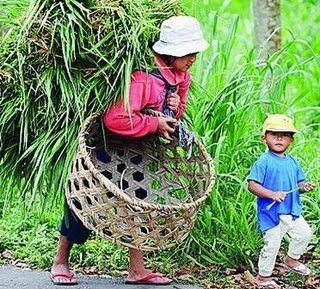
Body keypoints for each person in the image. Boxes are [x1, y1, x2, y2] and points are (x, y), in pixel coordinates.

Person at [50, 15, 209, 285]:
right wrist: (154, 122)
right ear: (169, 53)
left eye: (194, 52)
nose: (192, 58)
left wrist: (175, 105)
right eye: (187, 53)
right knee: (83, 202)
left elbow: (173, 117)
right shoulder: (142, 78)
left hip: (137, 150)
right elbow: (115, 119)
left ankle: (137, 269)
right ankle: (60, 261)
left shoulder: (181, 77)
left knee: (138, 204)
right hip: (106, 147)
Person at [247, 114, 316, 289]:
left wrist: (304, 186)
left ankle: (291, 260)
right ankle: (263, 277)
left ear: (291, 140)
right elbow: (252, 185)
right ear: (264, 138)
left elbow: (299, 183)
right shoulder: (263, 161)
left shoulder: (293, 162)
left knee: (305, 234)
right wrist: (271, 194)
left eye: (285, 134)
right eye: (274, 134)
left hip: (291, 210)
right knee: (272, 245)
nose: (279, 138)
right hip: (271, 213)